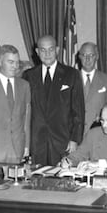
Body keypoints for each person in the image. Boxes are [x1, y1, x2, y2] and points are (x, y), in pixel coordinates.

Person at [23, 35, 85, 166]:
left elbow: (78, 110)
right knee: (36, 181)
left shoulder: (71, 74)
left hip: (62, 140)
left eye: (51, 49)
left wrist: (74, 139)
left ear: (57, 50)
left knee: (61, 180)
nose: (47, 54)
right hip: (37, 142)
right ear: (37, 52)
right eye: (43, 50)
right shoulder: (28, 75)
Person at [78, 42, 107, 135]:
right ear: (79, 57)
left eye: (91, 55)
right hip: (74, 133)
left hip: (98, 132)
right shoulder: (71, 78)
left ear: (97, 57)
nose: (88, 59)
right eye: (84, 55)